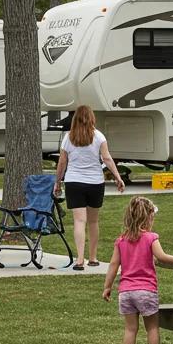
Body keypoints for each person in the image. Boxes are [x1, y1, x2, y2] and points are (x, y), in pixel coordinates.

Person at [102, 196, 173, 344]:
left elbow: (113, 264)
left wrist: (107, 286)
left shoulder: (121, 240)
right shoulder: (151, 238)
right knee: (152, 327)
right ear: (148, 217)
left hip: (126, 292)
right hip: (146, 291)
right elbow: (162, 257)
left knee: (130, 329)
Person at [54, 105, 125, 270]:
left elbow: (62, 162)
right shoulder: (99, 136)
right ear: (92, 118)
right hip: (95, 183)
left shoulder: (68, 137)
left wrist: (57, 181)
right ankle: (93, 257)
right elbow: (106, 158)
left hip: (74, 183)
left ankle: (80, 260)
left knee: (79, 221)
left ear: (75, 119)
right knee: (93, 221)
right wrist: (117, 177)